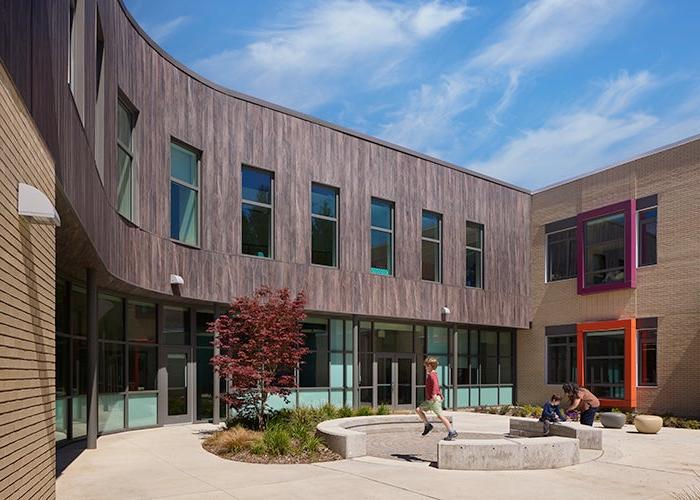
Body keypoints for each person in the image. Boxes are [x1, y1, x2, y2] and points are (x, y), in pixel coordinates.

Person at [416, 357, 458, 441]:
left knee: (440, 416)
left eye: (426, 366)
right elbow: (436, 386)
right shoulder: (431, 374)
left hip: (433, 400)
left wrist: (435, 394)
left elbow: (435, 385)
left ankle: (452, 431)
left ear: (430, 366)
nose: (425, 367)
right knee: (418, 410)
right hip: (430, 400)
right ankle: (427, 425)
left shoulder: (432, 375)